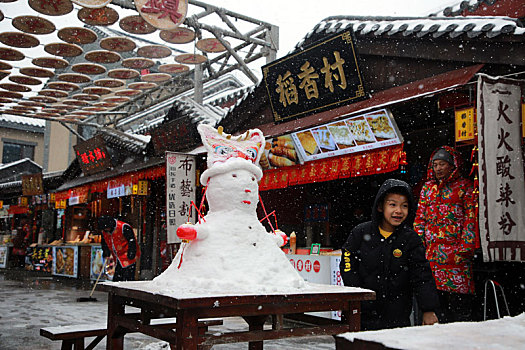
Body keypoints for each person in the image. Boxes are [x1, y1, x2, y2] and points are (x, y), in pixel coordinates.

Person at [340, 178, 439, 331]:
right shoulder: (360, 233)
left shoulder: (411, 239)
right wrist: (358, 295)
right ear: (380, 206)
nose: (398, 211)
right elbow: (348, 264)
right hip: (361, 314)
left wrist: (428, 309)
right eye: (392, 204)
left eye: (404, 206)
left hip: (397, 317)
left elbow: (422, 275)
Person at [414, 146, 477, 323]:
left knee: (460, 305)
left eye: (442, 164)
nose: (439, 168)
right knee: (435, 302)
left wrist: (465, 248)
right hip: (432, 254)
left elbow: (470, 219)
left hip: (457, 255)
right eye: (435, 165)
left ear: (453, 165)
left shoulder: (465, 187)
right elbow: (420, 218)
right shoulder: (427, 188)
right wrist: (418, 246)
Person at [98, 216, 141, 282]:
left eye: (107, 228)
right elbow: (104, 243)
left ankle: (126, 290)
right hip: (118, 257)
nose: (106, 230)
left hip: (128, 256)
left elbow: (132, 241)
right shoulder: (104, 231)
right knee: (117, 277)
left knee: (127, 277)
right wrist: (106, 252)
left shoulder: (123, 227)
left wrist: (131, 253)